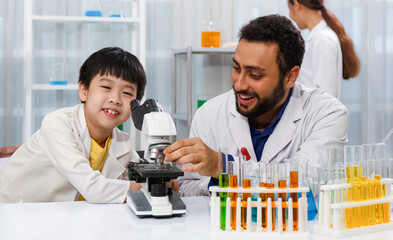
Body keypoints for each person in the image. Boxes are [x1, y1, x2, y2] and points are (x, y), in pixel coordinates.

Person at [163, 15, 349, 200]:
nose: (239, 84)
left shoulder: (327, 114)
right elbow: (188, 188)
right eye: (237, 68)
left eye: (254, 75)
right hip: (225, 228)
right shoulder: (210, 113)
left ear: (290, 77)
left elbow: (305, 182)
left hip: (294, 228)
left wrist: (223, 167)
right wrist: (217, 181)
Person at [0, 47, 145, 203]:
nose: (115, 99)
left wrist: (160, 183)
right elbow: (94, 189)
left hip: (70, 217)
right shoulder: (57, 123)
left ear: (136, 104)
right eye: (106, 87)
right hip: (14, 212)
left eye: (127, 93)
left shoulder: (124, 142)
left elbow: (143, 177)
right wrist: (152, 188)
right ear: (84, 90)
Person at [288, 0, 360, 99]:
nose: (290, 16)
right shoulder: (318, 38)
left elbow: (327, 95)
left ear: (296, 4)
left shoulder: (323, 40)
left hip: (319, 113)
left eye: (289, 9)